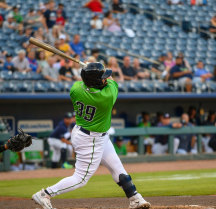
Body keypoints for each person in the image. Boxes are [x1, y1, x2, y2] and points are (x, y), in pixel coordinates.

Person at [32, 63, 151, 209]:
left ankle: (135, 199)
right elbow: (112, 80)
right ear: (95, 81)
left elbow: (86, 80)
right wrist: (94, 70)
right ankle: (45, 193)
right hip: (91, 139)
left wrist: (91, 70)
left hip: (85, 132)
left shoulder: (76, 88)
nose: (105, 79)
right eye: (102, 78)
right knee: (80, 179)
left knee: (117, 167)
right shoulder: (106, 97)